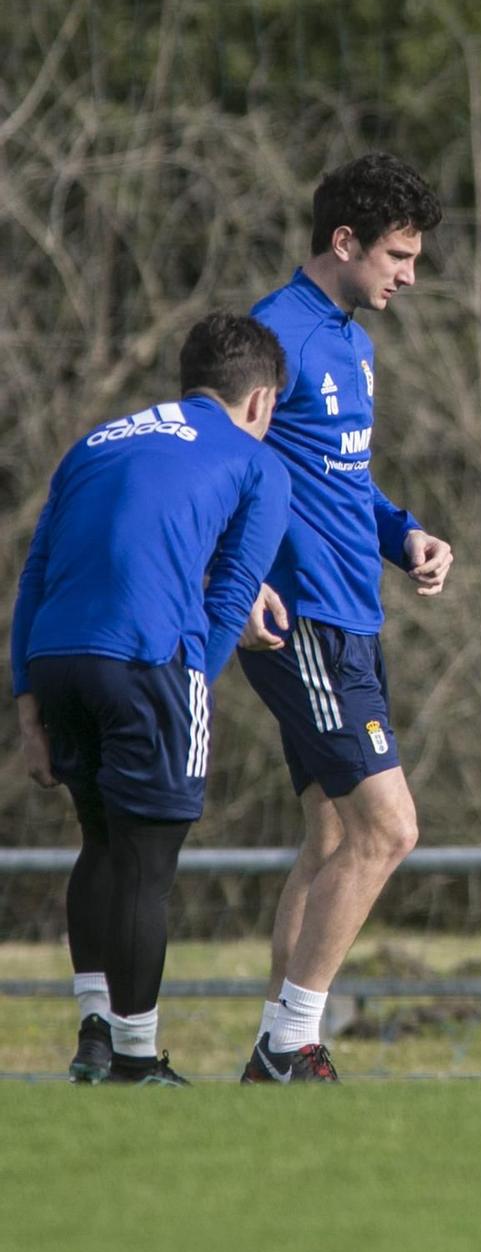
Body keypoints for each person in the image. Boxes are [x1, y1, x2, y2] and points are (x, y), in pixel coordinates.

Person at [13, 313, 291, 1085]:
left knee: (100, 843)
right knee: (147, 862)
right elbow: (234, 586)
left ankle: (96, 1034)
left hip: (57, 657)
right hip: (145, 661)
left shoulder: (95, 443)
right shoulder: (256, 461)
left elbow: (36, 574)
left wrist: (27, 707)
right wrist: (194, 678)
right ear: (262, 401)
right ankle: (139, 1060)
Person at [234, 153, 452, 1083]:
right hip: (305, 622)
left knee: (330, 837)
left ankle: (270, 1049)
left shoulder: (354, 344)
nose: (409, 273)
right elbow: (219, 463)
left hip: (352, 615)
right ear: (344, 242)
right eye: (399, 254)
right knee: (389, 828)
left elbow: (341, 479)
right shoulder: (272, 336)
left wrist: (405, 535)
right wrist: (237, 585)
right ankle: (294, 1040)